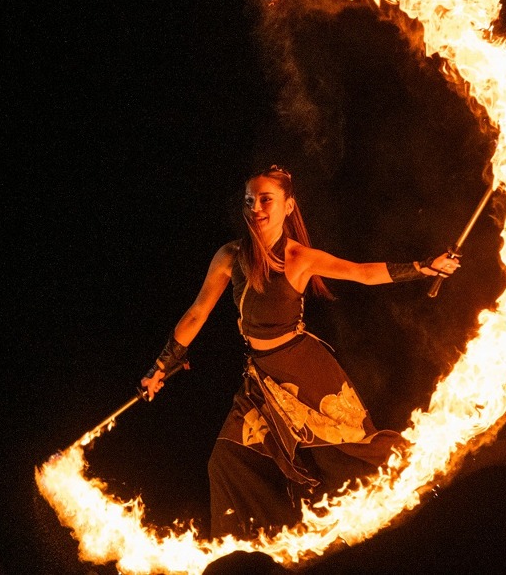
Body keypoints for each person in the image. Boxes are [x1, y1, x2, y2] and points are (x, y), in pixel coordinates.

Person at [140, 165, 459, 538]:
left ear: (288, 207)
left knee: (342, 457)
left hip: (304, 373)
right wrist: (162, 365)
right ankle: (261, 548)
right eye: (249, 200)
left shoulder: (299, 258)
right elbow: (196, 314)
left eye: (266, 199)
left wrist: (424, 268)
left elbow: (362, 273)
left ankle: (424, 485)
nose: (256, 207)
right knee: (227, 461)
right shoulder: (230, 256)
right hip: (262, 379)